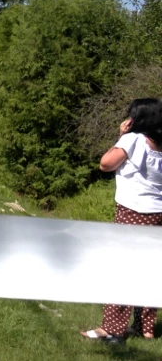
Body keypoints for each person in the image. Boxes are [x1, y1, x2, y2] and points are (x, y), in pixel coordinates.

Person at [81, 98, 162, 343]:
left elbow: (105, 164)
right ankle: (145, 328)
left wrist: (121, 136)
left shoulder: (133, 139)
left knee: (122, 268)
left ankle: (112, 328)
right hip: (158, 213)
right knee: (150, 269)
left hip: (133, 212)